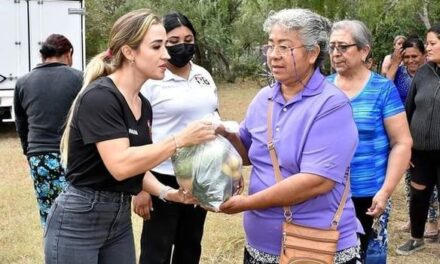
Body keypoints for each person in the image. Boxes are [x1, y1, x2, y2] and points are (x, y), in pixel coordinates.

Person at [43, 9, 215, 264]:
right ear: (129, 52)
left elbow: (138, 166)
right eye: (157, 47)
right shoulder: (101, 97)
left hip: (118, 218)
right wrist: (179, 140)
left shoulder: (142, 103)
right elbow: (121, 165)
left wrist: (169, 193)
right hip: (79, 219)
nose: (166, 55)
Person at [219, 9, 361, 264]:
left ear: (313, 53)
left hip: (314, 247)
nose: (273, 55)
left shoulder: (331, 105)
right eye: (270, 45)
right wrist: (224, 134)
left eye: (284, 47)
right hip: (260, 246)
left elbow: (317, 181)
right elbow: (248, 153)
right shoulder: (264, 98)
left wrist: (248, 203)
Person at [134, 12, 218, 264]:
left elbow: (214, 117)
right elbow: (139, 137)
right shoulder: (151, 81)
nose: (183, 45)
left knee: (190, 245)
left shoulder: (203, 75)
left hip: (199, 175)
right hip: (161, 175)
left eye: (188, 38)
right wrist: (140, 187)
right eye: (173, 41)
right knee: (156, 249)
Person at [327, 20, 412, 261]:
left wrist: (385, 191)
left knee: (369, 256)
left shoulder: (382, 89)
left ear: (364, 50)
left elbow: (402, 142)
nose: (335, 53)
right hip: (327, 195)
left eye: (343, 46)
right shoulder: (322, 88)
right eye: (332, 46)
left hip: (369, 197)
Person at [13, 34, 82, 229]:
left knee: (48, 213)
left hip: (39, 157)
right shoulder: (80, 78)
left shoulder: (23, 82)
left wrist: (29, 151)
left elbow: (21, 123)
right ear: (68, 54)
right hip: (72, 155)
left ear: (43, 55)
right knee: (77, 211)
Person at [387, 37, 439, 240]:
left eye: (415, 56)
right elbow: (406, 106)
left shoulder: (428, 72)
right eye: (406, 57)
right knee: (416, 187)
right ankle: (416, 225)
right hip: (413, 138)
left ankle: (433, 222)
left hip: (433, 140)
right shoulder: (407, 73)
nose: (410, 60)